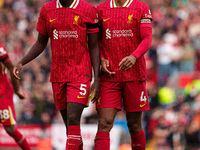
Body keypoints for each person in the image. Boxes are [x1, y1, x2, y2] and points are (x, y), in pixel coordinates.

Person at [13, 0, 100, 149]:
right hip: (58, 75)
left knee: (73, 119)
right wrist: (22, 62)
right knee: (71, 129)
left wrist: (97, 78)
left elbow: (94, 45)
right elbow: (40, 43)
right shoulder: (47, 9)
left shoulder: (88, 10)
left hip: (80, 73)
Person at [95, 0, 152, 149]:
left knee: (133, 125)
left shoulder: (141, 7)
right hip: (109, 76)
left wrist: (134, 56)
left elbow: (147, 38)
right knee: (104, 123)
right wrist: (101, 57)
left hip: (134, 75)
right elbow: (95, 40)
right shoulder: (101, 9)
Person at [0, 44, 31, 150]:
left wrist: (17, 91)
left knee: (9, 129)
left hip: (2, 93)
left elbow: (12, 69)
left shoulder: (0, 50)